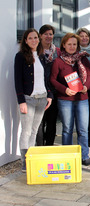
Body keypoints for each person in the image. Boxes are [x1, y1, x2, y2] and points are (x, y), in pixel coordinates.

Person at [50, 33, 90, 166]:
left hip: (82, 98)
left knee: (83, 129)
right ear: (63, 45)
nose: (72, 47)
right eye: (69, 44)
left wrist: (86, 86)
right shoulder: (58, 61)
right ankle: (67, 155)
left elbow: (89, 75)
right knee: (67, 128)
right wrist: (64, 89)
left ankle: (84, 156)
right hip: (65, 99)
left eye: (74, 44)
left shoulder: (83, 59)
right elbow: (52, 79)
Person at [14, 29, 53, 172]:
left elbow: (44, 79)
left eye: (36, 37)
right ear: (25, 40)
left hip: (42, 98)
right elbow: (17, 80)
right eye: (30, 38)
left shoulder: (42, 56)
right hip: (28, 99)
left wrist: (49, 95)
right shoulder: (20, 57)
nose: (34, 40)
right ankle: (25, 162)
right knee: (26, 131)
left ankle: (32, 159)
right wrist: (21, 101)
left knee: (35, 130)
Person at [36, 24, 60, 146]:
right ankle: (40, 148)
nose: (48, 36)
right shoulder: (35, 51)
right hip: (39, 92)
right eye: (45, 34)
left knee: (51, 122)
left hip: (53, 91)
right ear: (40, 36)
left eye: (50, 34)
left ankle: (49, 146)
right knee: (40, 122)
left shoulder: (57, 52)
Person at [77, 28, 90, 148]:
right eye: (81, 36)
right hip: (77, 87)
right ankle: (81, 138)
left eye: (86, 36)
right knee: (80, 114)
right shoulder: (75, 50)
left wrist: (88, 81)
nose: (84, 38)